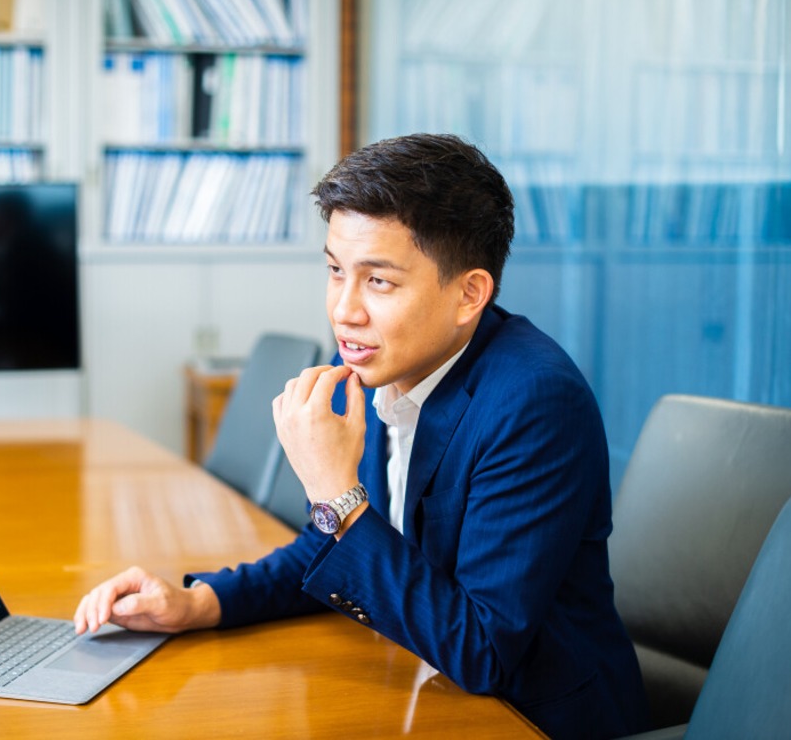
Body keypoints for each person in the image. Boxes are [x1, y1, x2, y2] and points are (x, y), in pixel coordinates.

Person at [75, 134, 649, 739]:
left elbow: (482, 649)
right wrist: (199, 603)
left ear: (469, 294)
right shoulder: (374, 361)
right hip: (421, 691)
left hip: (531, 720)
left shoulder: (534, 403)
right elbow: (328, 542)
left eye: (378, 282)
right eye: (335, 271)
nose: (344, 311)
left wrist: (335, 493)